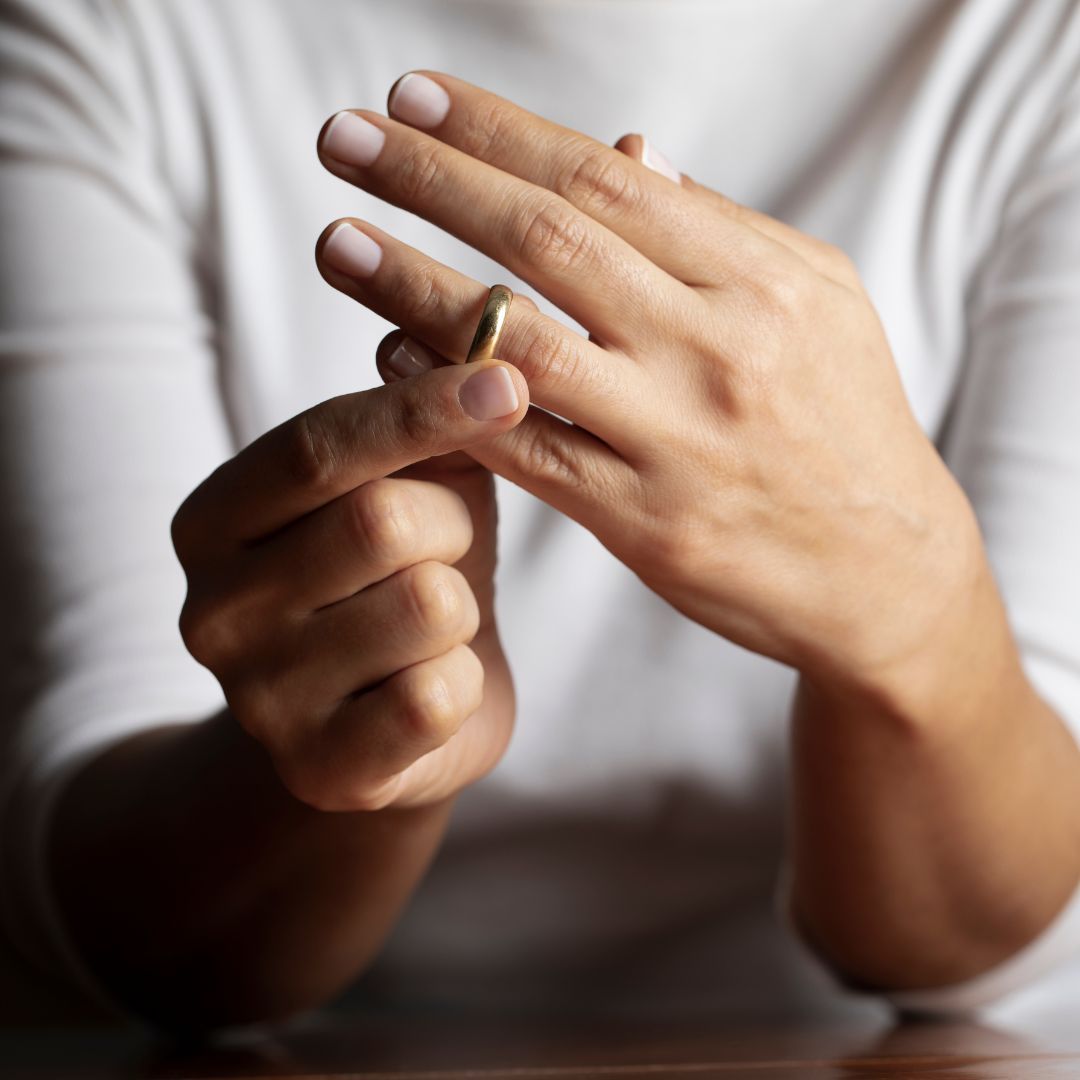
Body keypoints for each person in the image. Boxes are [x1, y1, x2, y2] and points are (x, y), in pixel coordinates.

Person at [2, 0, 1079, 1032]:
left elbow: (980, 942)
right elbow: (122, 917)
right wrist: (383, 736)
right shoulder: (107, 31)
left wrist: (917, 632)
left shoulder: (1036, 44)